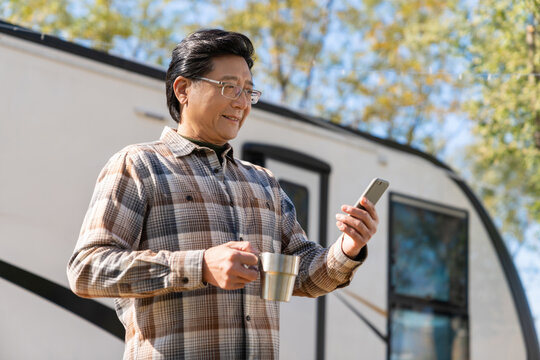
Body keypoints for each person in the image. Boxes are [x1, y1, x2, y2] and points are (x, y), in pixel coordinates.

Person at [67, 29, 379, 359]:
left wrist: (348, 247)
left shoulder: (263, 183)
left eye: (248, 91)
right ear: (183, 89)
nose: (242, 102)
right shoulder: (138, 165)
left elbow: (303, 277)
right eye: (229, 87)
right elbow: (87, 270)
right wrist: (199, 266)